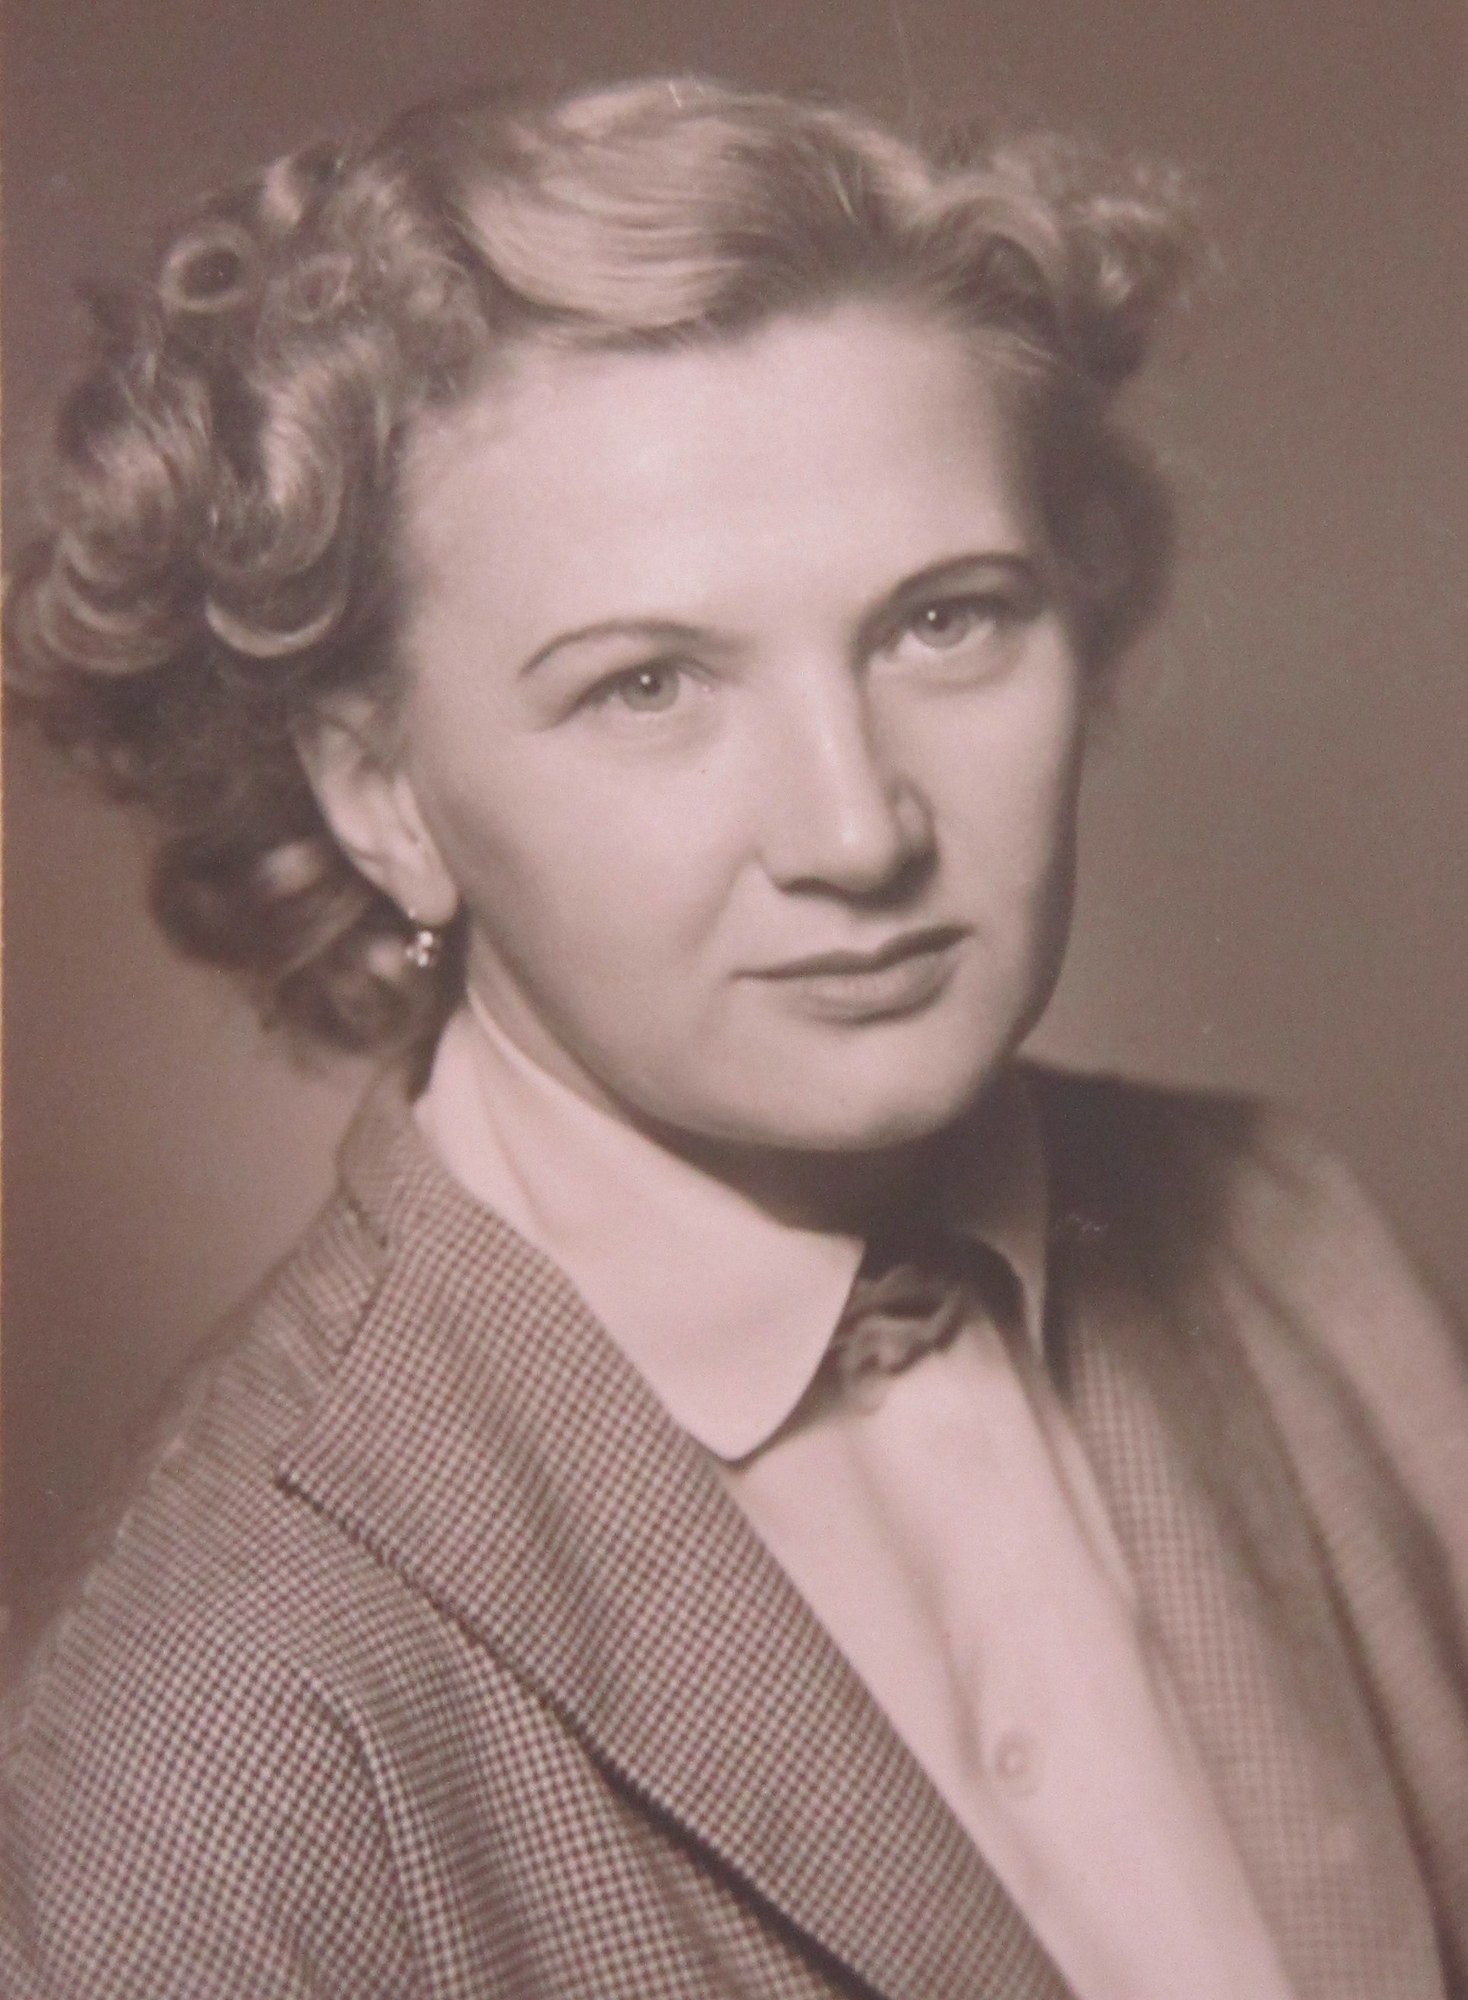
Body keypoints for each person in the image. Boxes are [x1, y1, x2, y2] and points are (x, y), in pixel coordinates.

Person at [2, 75, 1465, 2000]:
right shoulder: (217, 1716)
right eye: (648, 686)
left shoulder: (1298, 1253)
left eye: (944, 623)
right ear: (380, 796)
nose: (858, 831)